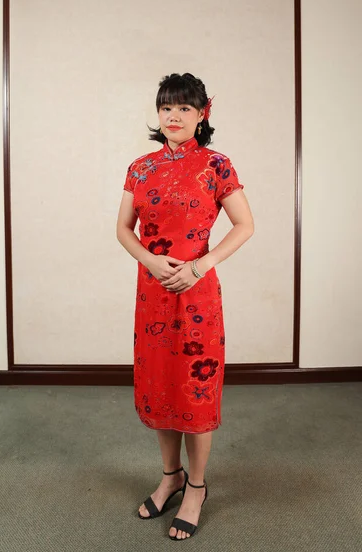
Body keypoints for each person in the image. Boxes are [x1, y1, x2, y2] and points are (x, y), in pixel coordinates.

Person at [116, 73, 254, 540]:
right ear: (158, 115)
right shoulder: (139, 167)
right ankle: (170, 475)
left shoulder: (216, 165)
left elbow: (244, 225)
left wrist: (200, 265)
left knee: (194, 391)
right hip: (152, 293)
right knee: (160, 387)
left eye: (184, 109)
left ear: (202, 115)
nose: (173, 117)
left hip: (197, 295)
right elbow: (123, 231)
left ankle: (196, 486)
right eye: (166, 108)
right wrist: (151, 261)